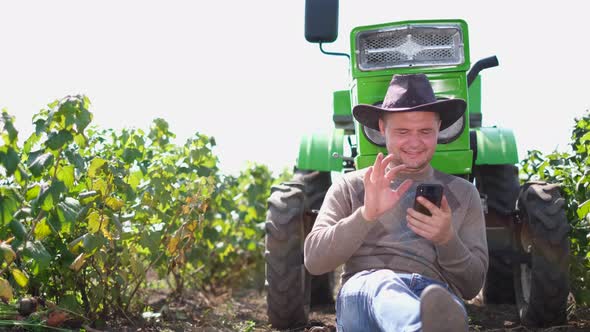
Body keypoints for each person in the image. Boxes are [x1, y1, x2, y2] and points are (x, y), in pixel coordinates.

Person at [304, 73, 488, 332]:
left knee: (449, 304)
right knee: (383, 284)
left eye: (425, 131)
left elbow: (471, 286)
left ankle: (427, 322)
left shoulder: (464, 194)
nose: (414, 142)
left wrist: (447, 239)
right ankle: (419, 327)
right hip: (366, 293)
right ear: (382, 128)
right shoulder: (351, 186)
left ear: (439, 129)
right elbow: (314, 260)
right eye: (403, 131)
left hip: (436, 294)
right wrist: (366, 215)